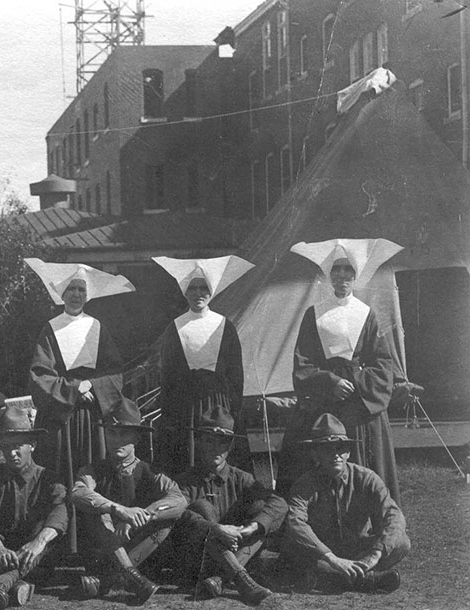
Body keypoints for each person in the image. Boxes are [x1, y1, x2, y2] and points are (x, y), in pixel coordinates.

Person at [278, 239, 402, 498]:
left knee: (360, 459)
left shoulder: (366, 313)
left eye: (348, 271)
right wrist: (330, 382)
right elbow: (303, 362)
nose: (342, 276)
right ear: (329, 275)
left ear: (355, 276)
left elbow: (383, 363)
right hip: (324, 398)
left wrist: (355, 383)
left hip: (357, 402)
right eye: (337, 270)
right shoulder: (315, 313)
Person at [24, 258, 134, 551]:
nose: (76, 295)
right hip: (61, 417)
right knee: (59, 476)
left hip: (91, 415)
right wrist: (74, 389)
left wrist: (93, 388)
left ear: (88, 295)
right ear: (62, 293)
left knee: (90, 476)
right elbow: (39, 375)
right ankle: (57, 545)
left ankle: (93, 545)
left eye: (81, 290)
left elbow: (114, 371)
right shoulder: (50, 328)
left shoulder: (97, 327)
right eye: (71, 288)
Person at [70, 400, 187, 605]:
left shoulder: (150, 471)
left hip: (140, 550)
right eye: (112, 434)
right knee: (98, 511)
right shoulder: (93, 470)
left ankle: (113, 579)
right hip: (103, 548)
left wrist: (143, 514)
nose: (117, 440)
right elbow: (78, 492)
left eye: (124, 434)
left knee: (167, 518)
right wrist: (118, 510)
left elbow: (179, 499)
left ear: (137, 437)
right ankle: (132, 578)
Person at [167, 408, 286, 605]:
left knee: (261, 511)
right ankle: (239, 577)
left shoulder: (242, 478)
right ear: (198, 442)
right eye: (209, 441)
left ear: (230, 446)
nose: (216, 448)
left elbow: (278, 503)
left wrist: (252, 528)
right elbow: (180, 515)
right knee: (200, 508)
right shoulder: (184, 481)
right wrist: (216, 529)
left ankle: (221, 578)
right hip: (197, 562)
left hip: (238, 550)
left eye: (222, 442)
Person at [281, 413, 410, 593]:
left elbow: (393, 516)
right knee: (295, 549)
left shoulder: (367, 478)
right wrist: (332, 559)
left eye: (341, 448)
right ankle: (366, 580)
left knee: (402, 542)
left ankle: (332, 579)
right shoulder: (304, 484)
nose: (336, 455)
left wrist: (375, 554)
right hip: (322, 552)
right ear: (315, 453)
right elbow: (295, 523)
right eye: (327, 449)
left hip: (357, 549)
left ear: (348, 452)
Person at [151, 256, 254, 475]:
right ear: (185, 292)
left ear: (211, 292)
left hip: (218, 403)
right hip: (185, 405)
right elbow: (167, 376)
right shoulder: (175, 327)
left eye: (204, 288)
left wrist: (233, 409)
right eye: (193, 288)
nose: (198, 293)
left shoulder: (224, 325)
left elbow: (236, 375)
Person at [0, 407, 67, 609]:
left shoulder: (49, 478)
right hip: (0, 557)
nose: (12, 453)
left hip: (37, 558)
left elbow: (60, 510)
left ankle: (3, 583)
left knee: (52, 532)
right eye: (6, 447)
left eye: (18, 445)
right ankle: (16, 585)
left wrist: (38, 542)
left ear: (33, 445)